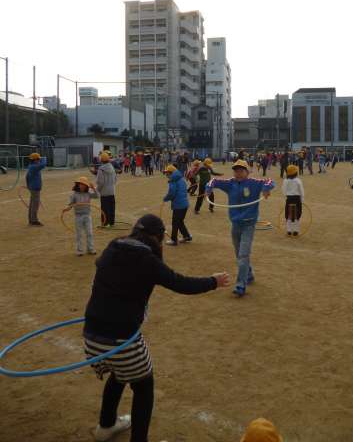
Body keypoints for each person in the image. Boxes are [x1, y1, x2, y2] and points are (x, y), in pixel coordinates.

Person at [83, 214, 229, 442]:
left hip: (91, 335)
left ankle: (106, 426)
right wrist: (213, 281)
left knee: (120, 374)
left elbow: (100, 266)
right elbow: (180, 283)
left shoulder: (114, 245)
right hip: (121, 339)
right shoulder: (147, 260)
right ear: (157, 237)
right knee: (143, 385)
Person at [206, 159, 275, 297]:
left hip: (248, 225)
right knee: (239, 254)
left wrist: (266, 189)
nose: (238, 173)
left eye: (241, 170)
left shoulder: (254, 183)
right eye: (236, 170)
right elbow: (213, 181)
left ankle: (240, 285)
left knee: (243, 254)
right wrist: (208, 188)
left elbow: (269, 181)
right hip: (235, 224)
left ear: (247, 172)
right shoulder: (230, 183)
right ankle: (248, 274)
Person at [63, 177, 98, 256]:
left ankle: (90, 249)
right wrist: (66, 208)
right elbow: (70, 204)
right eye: (80, 184)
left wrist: (93, 188)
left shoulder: (88, 193)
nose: (82, 186)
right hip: (78, 216)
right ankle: (79, 251)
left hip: (87, 215)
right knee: (79, 234)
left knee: (89, 233)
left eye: (84, 184)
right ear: (78, 185)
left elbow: (97, 196)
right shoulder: (74, 194)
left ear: (86, 186)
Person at [162, 165, 192, 246]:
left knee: (175, 222)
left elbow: (172, 193)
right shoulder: (181, 179)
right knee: (180, 222)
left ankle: (174, 240)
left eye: (167, 173)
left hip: (179, 205)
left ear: (171, 173)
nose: (166, 175)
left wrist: (165, 198)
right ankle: (187, 236)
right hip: (184, 204)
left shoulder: (173, 181)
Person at [281, 164, 304, 236]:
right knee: (297, 214)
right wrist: (302, 199)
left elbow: (283, 190)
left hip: (289, 199)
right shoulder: (298, 180)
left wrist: (286, 195)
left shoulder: (285, 181)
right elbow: (301, 191)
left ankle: (289, 230)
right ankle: (296, 231)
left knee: (289, 214)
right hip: (297, 199)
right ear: (296, 173)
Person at [25, 152, 47, 226]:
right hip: (35, 188)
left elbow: (27, 177)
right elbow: (44, 164)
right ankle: (34, 221)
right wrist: (44, 157)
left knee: (32, 204)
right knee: (35, 205)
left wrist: (28, 186)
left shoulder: (31, 166)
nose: (39, 160)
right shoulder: (34, 167)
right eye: (38, 159)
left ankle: (31, 220)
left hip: (33, 188)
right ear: (35, 160)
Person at [97, 152, 117, 227]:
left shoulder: (101, 169)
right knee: (112, 207)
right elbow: (115, 179)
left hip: (104, 192)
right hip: (112, 191)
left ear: (101, 160)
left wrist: (97, 190)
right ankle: (111, 222)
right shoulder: (112, 167)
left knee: (105, 208)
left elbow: (100, 182)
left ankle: (105, 223)